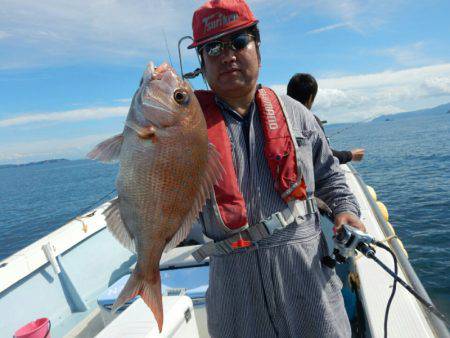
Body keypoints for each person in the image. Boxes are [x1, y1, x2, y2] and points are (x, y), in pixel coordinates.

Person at [187, 1, 366, 337]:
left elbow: (329, 175)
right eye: (213, 47)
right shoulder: (184, 129)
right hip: (234, 291)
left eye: (239, 42)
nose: (228, 56)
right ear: (202, 63)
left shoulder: (297, 114)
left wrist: (345, 209)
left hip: (308, 281)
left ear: (258, 47)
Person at [287, 73, 365, 164]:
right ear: (310, 98)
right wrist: (351, 155)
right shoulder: (311, 120)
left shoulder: (277, 118)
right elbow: (326, 156)